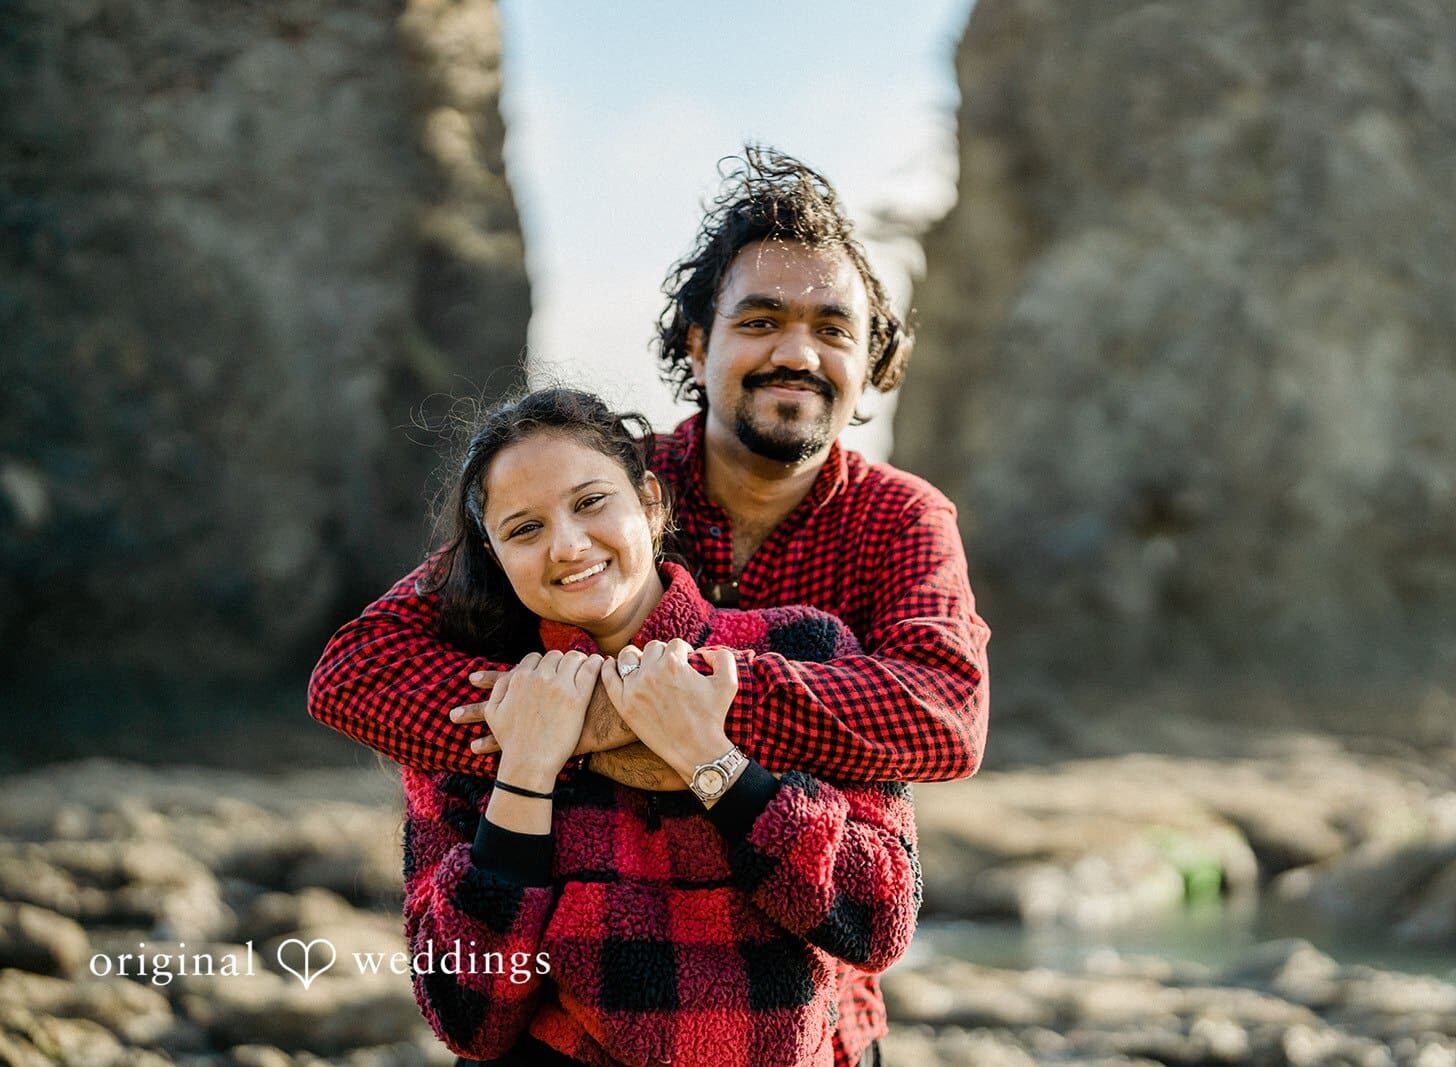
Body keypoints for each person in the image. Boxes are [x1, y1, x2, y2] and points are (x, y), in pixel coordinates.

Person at [309, 146, 990, 1065]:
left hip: (810, 998)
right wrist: (581, 722)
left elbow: (943, 715)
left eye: (833, 326)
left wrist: (687, 716)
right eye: (759, 319)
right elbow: (359, 669)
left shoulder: (897, 517)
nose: (795, 350)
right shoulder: (603, 499)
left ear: (870, 359)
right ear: (696, 344)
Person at [404, 387, 919, 1066]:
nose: (566, 544)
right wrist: (525, 772)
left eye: (590, 502)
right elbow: (467, 1018)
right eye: (524, 528)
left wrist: (710, 759)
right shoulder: (481, 698)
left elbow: (879, 918)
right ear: (495, 555)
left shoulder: (803, 647)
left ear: (649, 503)